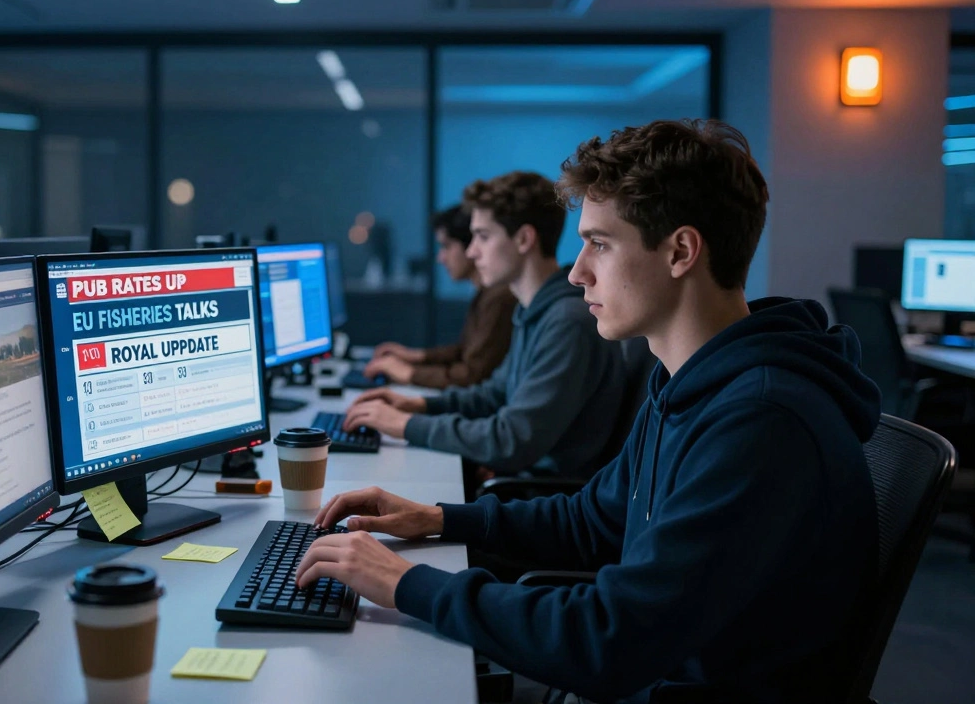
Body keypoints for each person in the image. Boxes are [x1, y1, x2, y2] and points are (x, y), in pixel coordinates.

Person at [298, 120, 881, 703]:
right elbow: (594, 520)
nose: (576, 272)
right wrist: (439, 518)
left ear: (680, 251)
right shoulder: (689, 379)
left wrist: (406, 584)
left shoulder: (760, 420)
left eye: (600, 244)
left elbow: (611, 639)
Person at [343, 171, 626, 478]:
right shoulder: (536, 311)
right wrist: (416, 406)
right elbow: (493, 394)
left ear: (523, 239)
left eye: (483, 236)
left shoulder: (567, 322)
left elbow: (511, 439)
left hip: (543, 497)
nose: (471, 251)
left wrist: (404, 425)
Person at [364, 205, 517, 389]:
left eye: (446, 246)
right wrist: (416, 356)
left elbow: (473, 375)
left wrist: (408, 372)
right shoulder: (486, 293)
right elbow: (467, 351)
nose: (440, 258)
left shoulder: (499, 298)